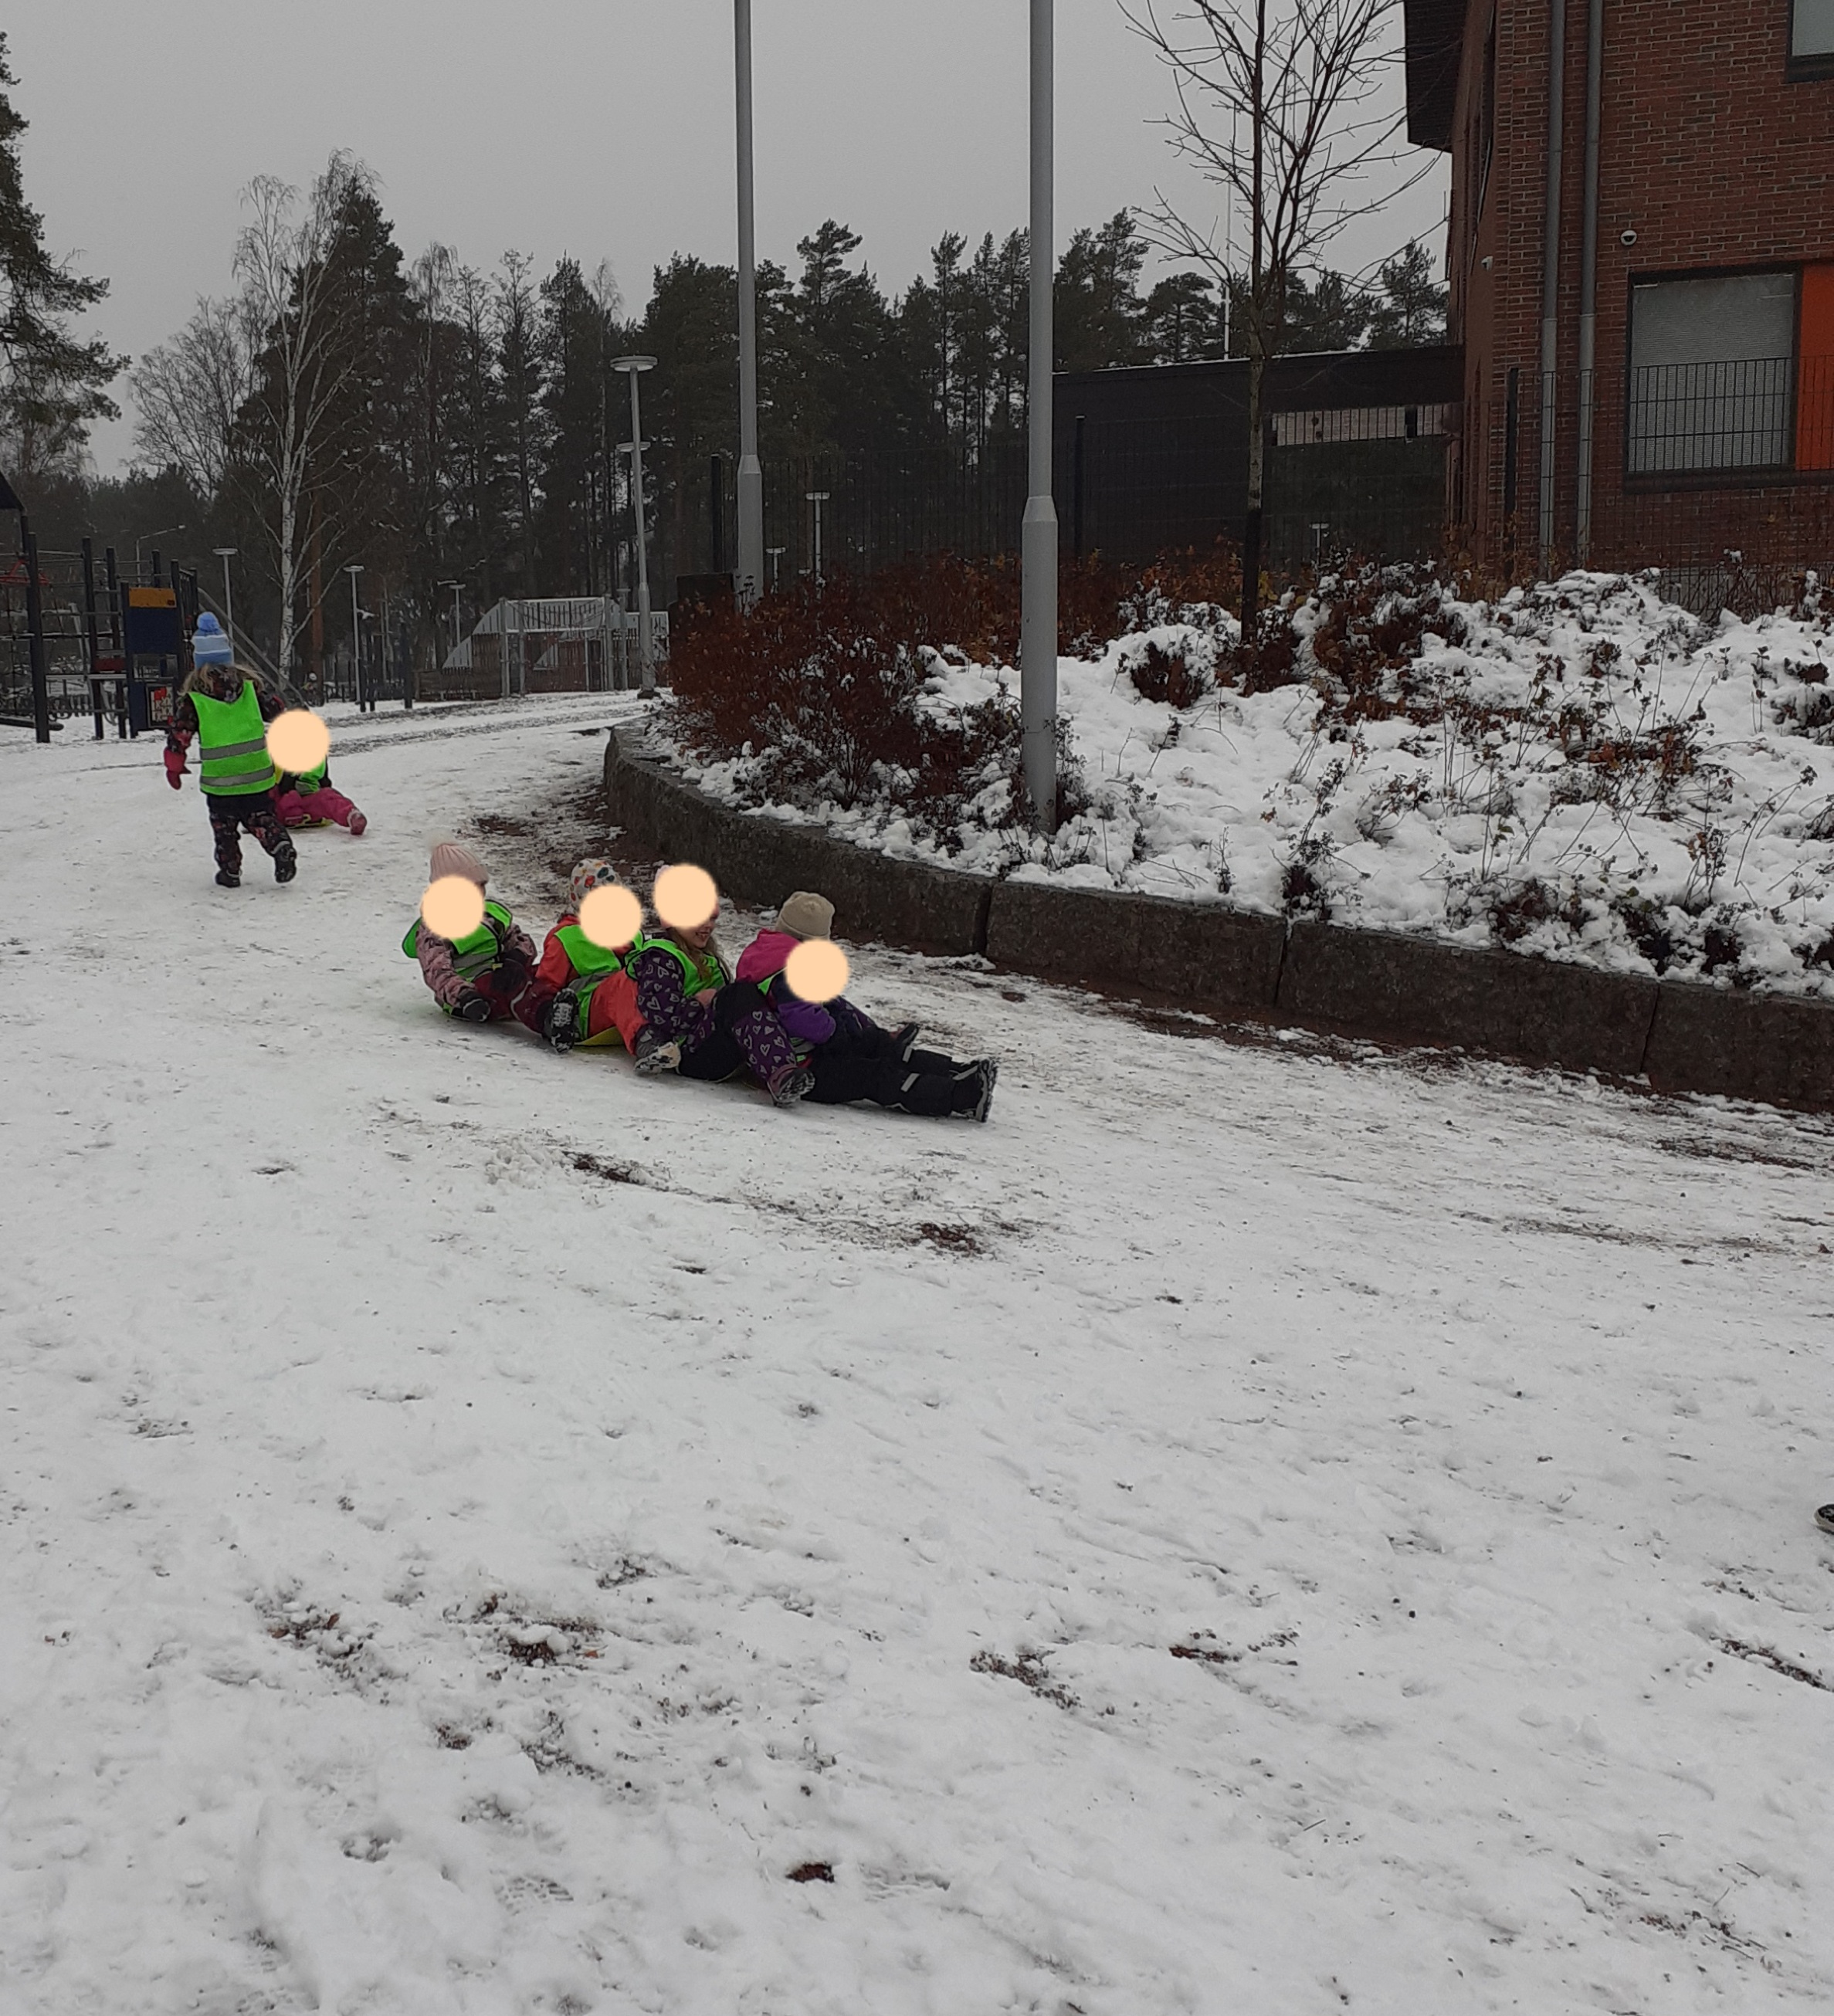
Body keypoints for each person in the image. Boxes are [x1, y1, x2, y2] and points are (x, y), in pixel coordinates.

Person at [737, 889, 996, 1121]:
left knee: (877, 1046)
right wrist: (832, 1031)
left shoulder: (765, 954)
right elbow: (799, 1016)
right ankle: (961, 1096)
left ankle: (959, 1073)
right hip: (806, 1067)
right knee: (874, 1075)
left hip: (808, 1054)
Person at [628, 901, 813, 1107]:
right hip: (692, 1055)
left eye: (712, 918)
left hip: (715, 1042)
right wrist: (699, 1003)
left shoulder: (704, 955)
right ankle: (780, 1074)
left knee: (755, 995)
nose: (708, 925)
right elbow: (660, 1013)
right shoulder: (662, 959)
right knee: (738, 994)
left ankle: (793, 1070)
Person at [162, 615, 298, 889]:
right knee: (261, 817)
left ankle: (230, 870)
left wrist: (174, 767)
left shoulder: (194, 700)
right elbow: (279, 712)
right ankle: (279, 844)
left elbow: (179, 736)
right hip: (256, 775)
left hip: (220, 781)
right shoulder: (250, 690)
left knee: (224, 828)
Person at [534, 859, 676, 1070]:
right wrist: (552, 1018)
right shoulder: (566, 938)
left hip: (635, 1005)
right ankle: (647, 1042)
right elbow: (543, 988)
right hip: (586, 1014)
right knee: (624, 982)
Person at [403, 842, 556, 1032]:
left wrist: (516, 958)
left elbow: (518, 939)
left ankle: (569, 1007)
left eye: (481, 886)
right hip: (468, 998)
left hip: (500, 975)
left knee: (542, 974)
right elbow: (437, 972)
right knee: (514, 988)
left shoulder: (489, 915)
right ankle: (548, 1019)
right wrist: (464, 995)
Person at [275, 752, 367, 836]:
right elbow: (284, 787)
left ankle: (351, 816)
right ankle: (291, 815)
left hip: (310, 801)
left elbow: (325, 783)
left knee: (328, 797)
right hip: (283, 804)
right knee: (288, 798)